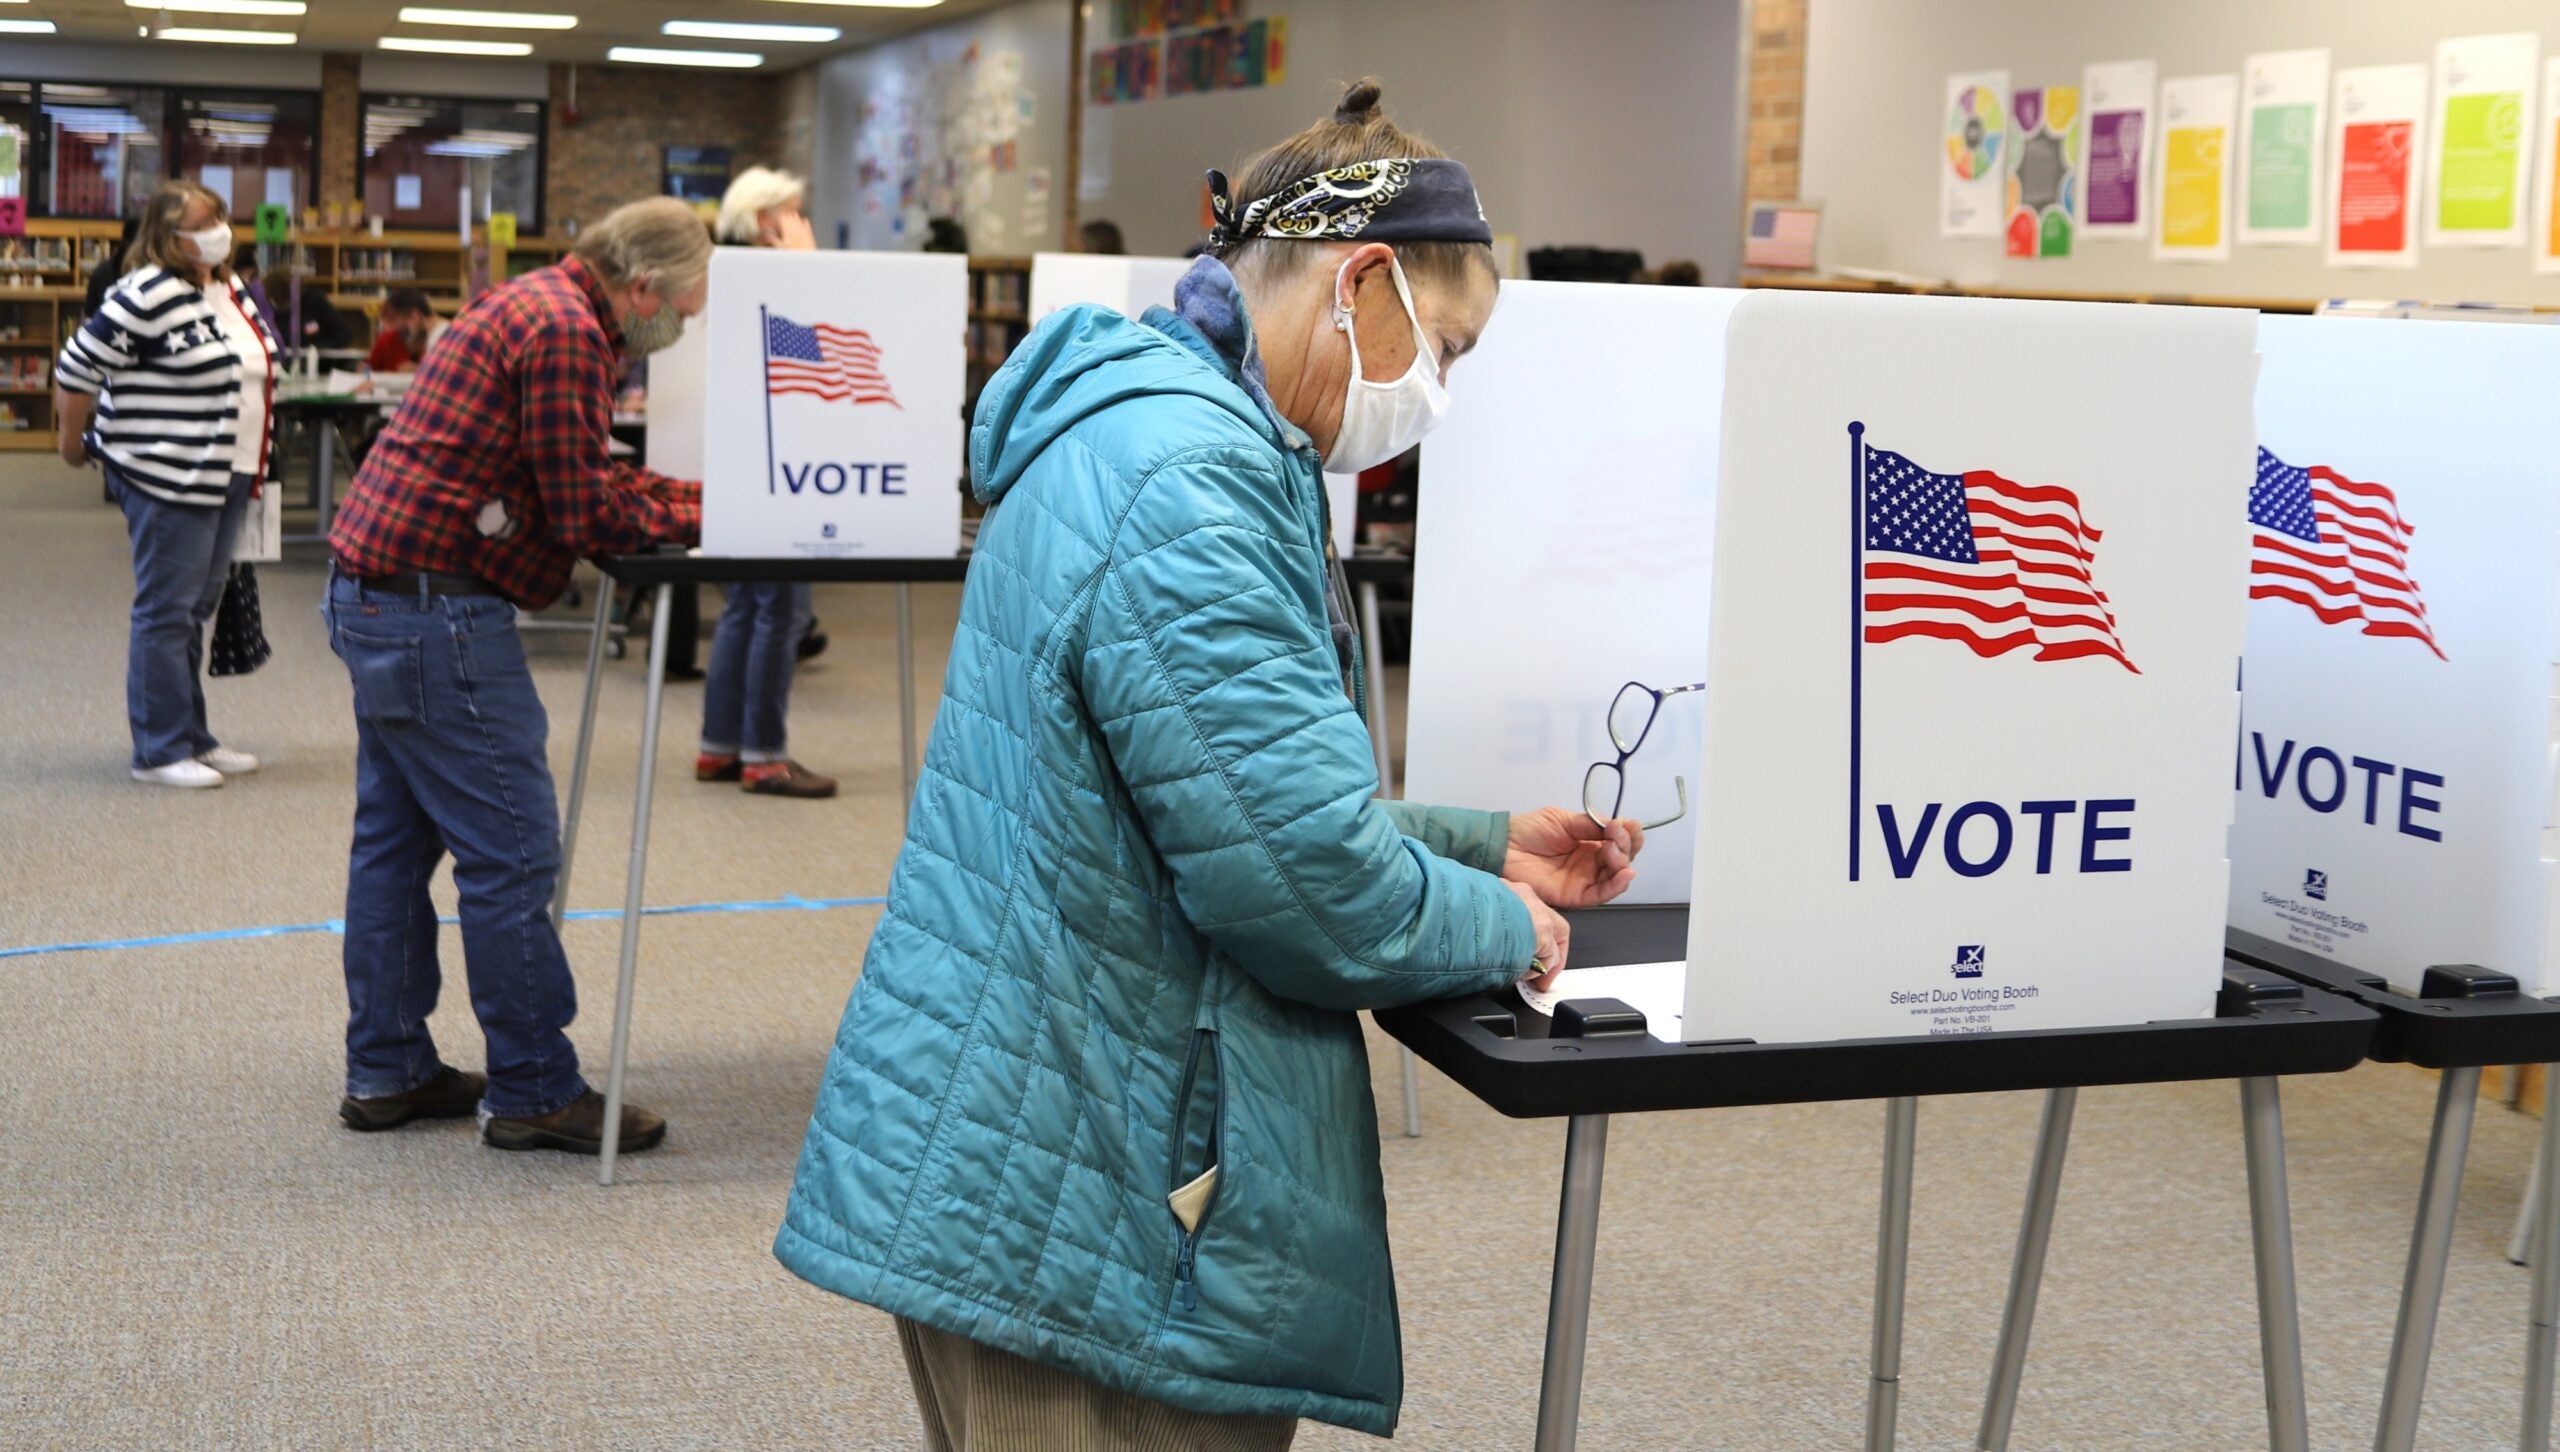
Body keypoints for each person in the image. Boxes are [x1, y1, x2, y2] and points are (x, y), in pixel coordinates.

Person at [777, 79, 1648, 1447]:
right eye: (1448, 351)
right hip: (1093, 1192)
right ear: (1362, 282)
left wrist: (1482, 845)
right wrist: (1505, 924)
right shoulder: (1191, 482)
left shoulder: (1158, 433)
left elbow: (1214, 801)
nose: (1438, 395)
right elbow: (1302, 887)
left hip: (1040, 1131)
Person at [321, 196, 711, 1155]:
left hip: (373, 591)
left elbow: (564, 478)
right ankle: (536, 1085)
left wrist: (690, 494)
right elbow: (583, 510)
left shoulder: (530, 301)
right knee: (514, 853)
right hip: (434, 609)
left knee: (393, 847)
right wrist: (716, 510)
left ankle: (388, 1066)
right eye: (685, 309)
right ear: (646, 287)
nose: (681, 329)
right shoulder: (574, 332)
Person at [55, 180, 279, 789]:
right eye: (205, 223)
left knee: (195, 609)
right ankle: (157, 750)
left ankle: (192, 738)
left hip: (231, 471)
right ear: (168, 236)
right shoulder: (145, 293)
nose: (219, 231)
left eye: (222, 219)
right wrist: (71, 446)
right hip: (167, 474)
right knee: (165, 612)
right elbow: (76, 368)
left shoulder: (230, 286)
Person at [694, 166, 836, 798]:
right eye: (793, 214)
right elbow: (808, 354)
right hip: (780, 462)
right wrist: (808, 268)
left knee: (746, 606)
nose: (802, 224)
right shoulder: (764, 278)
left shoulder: (718, 271)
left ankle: (719, 747)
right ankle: (764, 757)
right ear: (763, 222)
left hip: (738, 458)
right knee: (780, 609)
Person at [364, 287, 448, 372]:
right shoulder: (438, 332)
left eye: (406, 327)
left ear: (414, 317)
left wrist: (418, 369)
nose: (409, 334)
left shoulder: (440, 336)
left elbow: (434, 378)